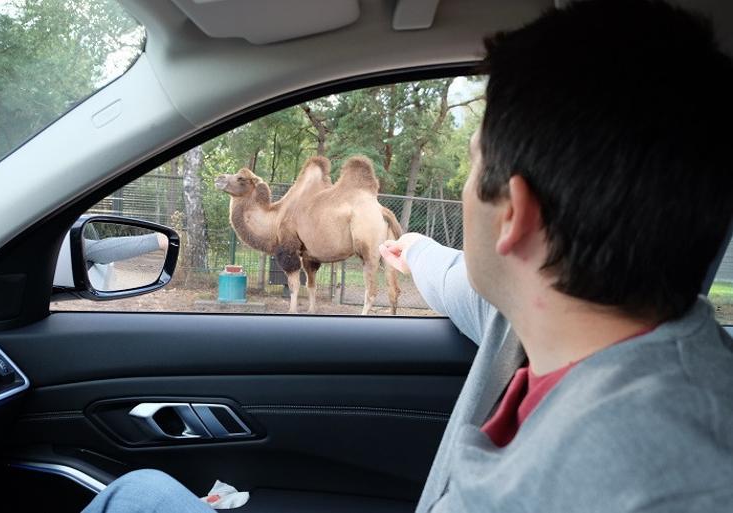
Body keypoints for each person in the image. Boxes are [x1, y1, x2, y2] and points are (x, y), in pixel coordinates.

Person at [82, 0, 733, 511]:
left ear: (513, 214)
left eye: (473, 168)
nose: (462, 189)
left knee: (132, 493)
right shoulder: (548, 320)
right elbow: (460, 279)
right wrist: (413, 249)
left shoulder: (667, 484)